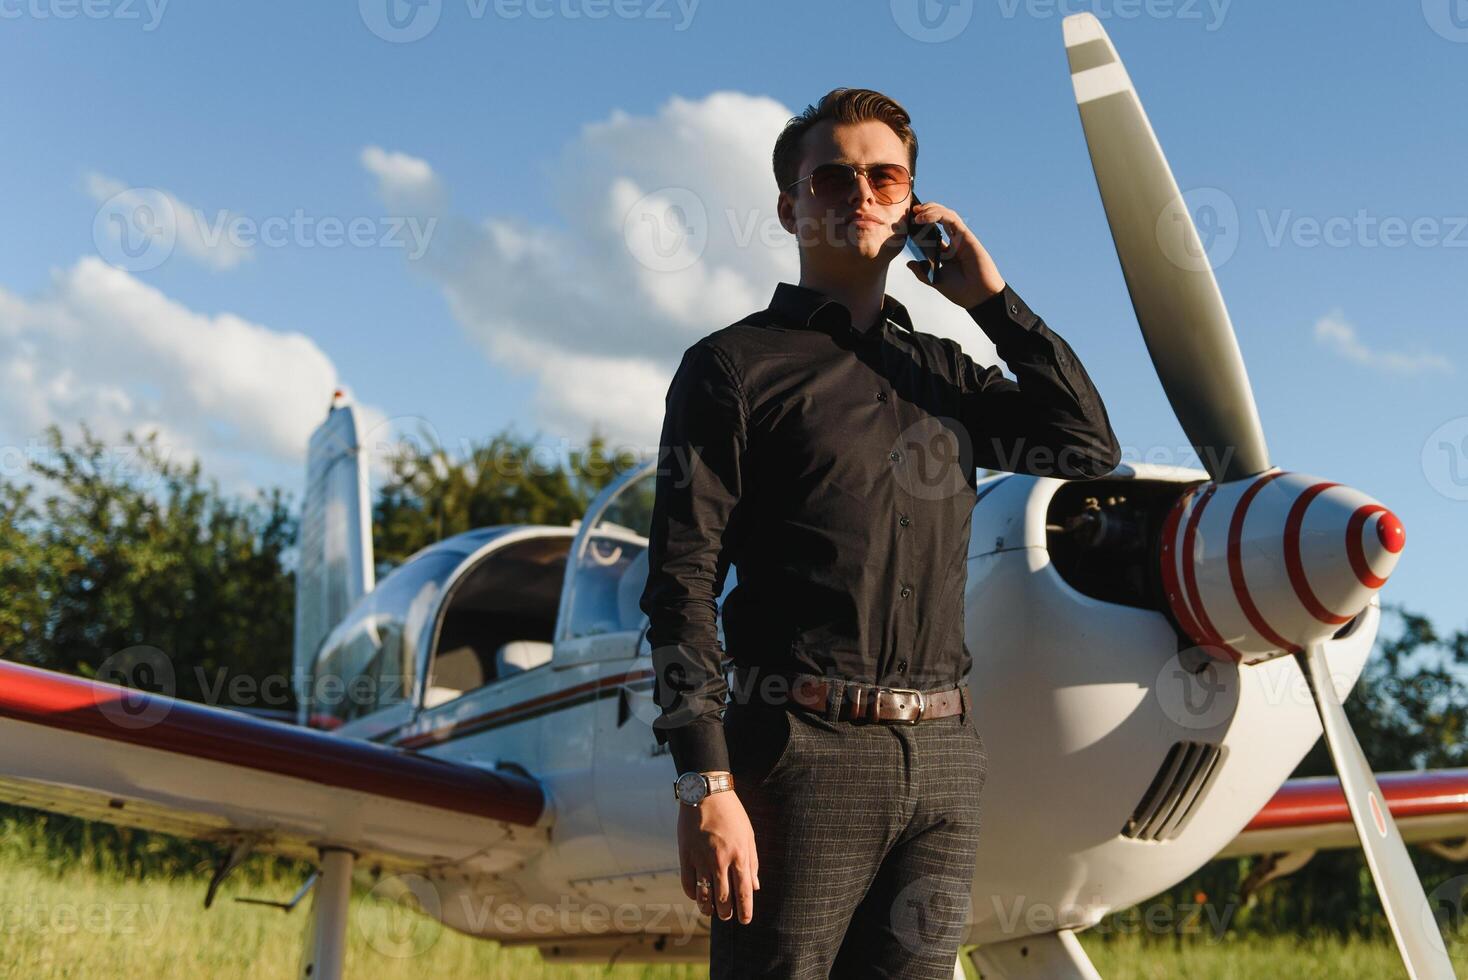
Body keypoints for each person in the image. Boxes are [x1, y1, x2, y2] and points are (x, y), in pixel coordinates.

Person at [638, 87, 1122, 979]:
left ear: (912, 205)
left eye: (883, 177)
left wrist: (993, 301)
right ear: (790, 205)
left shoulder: (948, 374)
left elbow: (1088, 449)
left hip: (944, 758)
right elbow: (682, 584)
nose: (857, 194)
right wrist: (707, 784)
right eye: (831, 178)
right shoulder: (730, 369)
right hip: (796, 753)